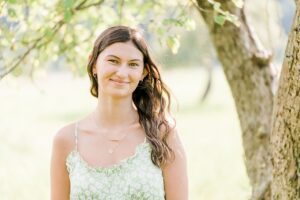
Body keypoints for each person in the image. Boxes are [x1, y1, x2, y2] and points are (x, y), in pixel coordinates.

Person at [50, 25, 188, 200]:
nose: (122, 73)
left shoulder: (162, 133)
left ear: (143, 72)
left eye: (133, 64)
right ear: (93, 64)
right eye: (113, 61)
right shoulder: (66, 140)